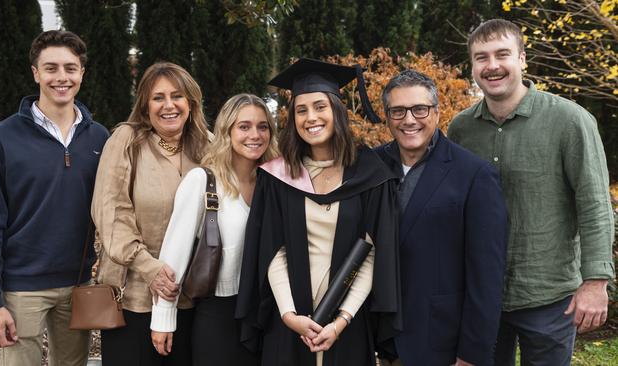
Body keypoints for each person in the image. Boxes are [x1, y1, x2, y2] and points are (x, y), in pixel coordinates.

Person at [448, 19, 615, 365]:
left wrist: (596, 282)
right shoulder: (461, 129)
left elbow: (595, 204)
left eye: (502, 54)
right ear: (472, 66)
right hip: (483, 295)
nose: (492, 66)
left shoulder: (570, 121)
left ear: (523, 59)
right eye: (481, 58)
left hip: (549, 295)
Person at [236, 58, 401, 366]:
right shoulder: (277, 177)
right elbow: (273, 252)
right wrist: (289, 315)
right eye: (301, 110)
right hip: (289, 327)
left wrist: (341, 321)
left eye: (320, 107)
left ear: (337, 111)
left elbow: (372, 256)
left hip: (348, 326)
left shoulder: (371, 174)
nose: (311, 117)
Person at [0, 30, 109, 366]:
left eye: (70, 68)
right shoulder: (0, 139)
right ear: (35, 73)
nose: (61, 77)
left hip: (79, 284)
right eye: (51, 68)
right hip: (21, 289)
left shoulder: (100, 138)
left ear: (81, 74)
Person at [374, 70, 508, 366]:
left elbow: (486, 275)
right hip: (381, 339)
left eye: (419, 109)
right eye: (398, 111)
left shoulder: (473, 174)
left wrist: (471, 354)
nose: (409, 120)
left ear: (436, 112)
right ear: (387, 116)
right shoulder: (370, 165)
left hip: (441, 341)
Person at [91, 61, 210, 365]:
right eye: (158, 98)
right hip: (134, 296)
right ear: (145, 105)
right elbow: (110, 211)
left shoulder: (210, 147)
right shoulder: (126, 141)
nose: (168, 105)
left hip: (192, 297)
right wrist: (150, 268)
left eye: (177, 96)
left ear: (191, 102)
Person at [149, 93, 278, 365]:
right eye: (244, 126)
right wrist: (163, 318)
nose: (254, 134)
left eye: (262, 126)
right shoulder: (203, 181)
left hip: (269, 314)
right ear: (226, 131)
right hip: (219, 315)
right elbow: (174, 255)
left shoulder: (275, 183)